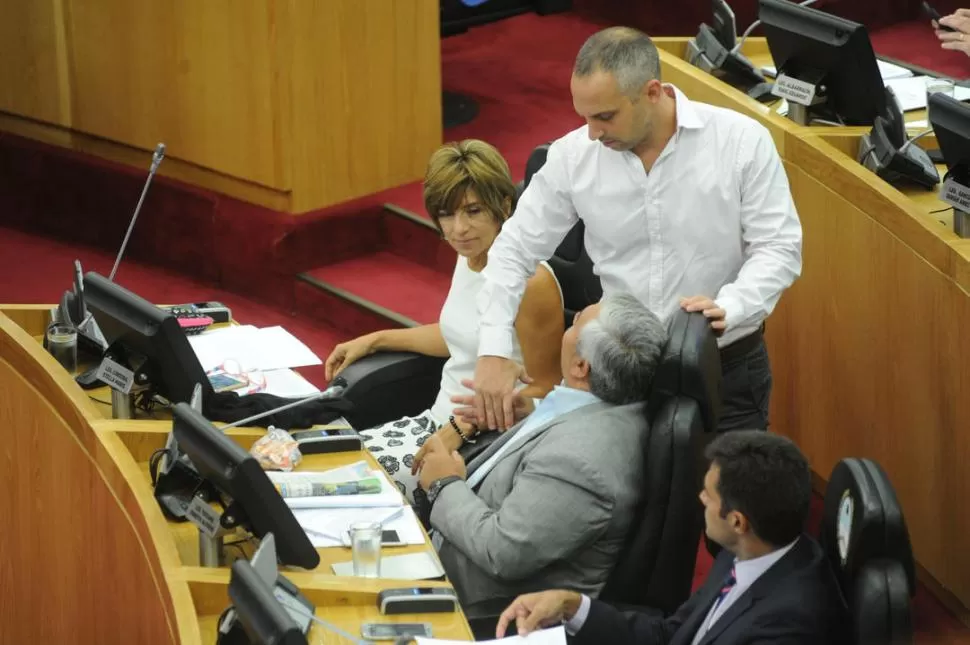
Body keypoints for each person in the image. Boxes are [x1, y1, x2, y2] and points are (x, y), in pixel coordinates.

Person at [471, 27, 802, 434]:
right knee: (625, 496)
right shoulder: (574, 156)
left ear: (652, 92)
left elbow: (779, 248)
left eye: (605, 116)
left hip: (724, 362)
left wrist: (731, 307)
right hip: (616, 371)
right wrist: (492, 350)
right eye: (585, 116)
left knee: (727, 495)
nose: (592, 132)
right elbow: (512, 251)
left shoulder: (742, 142)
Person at [323, 139, 564, 502]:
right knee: (316, 466)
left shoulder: (532, 283)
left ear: (504, 205)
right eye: (447, 215)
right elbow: (463, 334)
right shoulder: (470, 253)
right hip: (434, 425)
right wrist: (375, 340)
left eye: (473, 210)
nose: (459, 229)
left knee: (343, 494)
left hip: (480, 449)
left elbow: (548, 392)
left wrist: (462, 427)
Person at [413, 293, 668, 617]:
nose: (570, 321)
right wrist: (530, 411)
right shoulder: (602, 403)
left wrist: (443, 484)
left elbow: (501, 552)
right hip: (444, 550)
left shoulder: (581, 463)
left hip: (467, 606)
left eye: (575, 322)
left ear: (580, 366)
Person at [495, 430, 848, 645]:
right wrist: (571, 604)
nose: (701, 499)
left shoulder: (791, 623)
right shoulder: (745, 553)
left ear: (738, 521)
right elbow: (671, 635)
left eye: (709, 496)